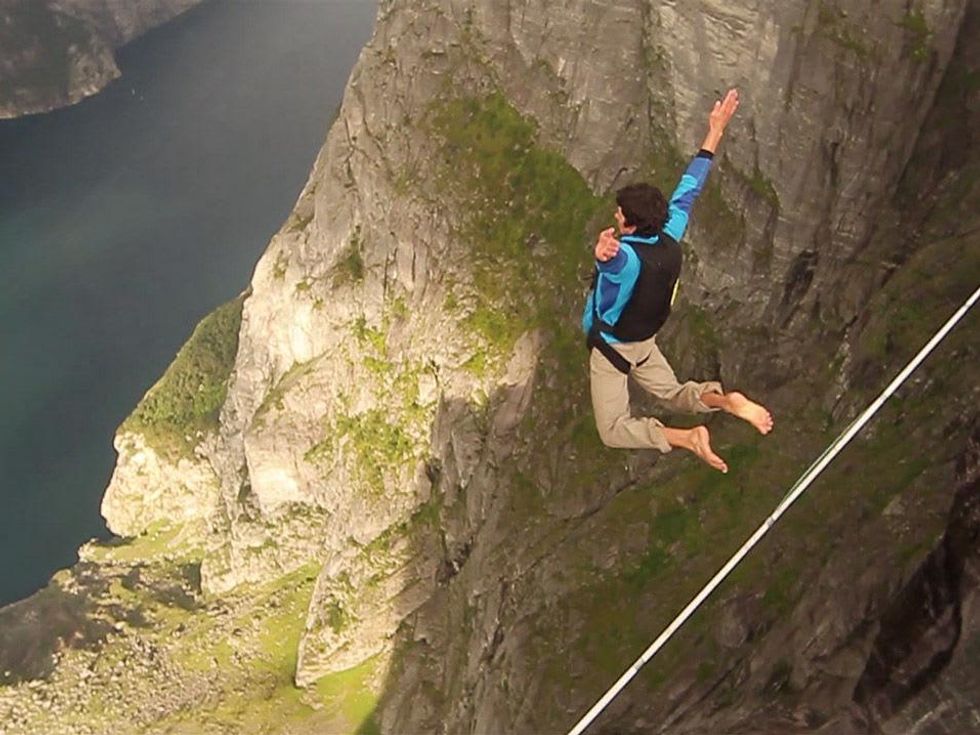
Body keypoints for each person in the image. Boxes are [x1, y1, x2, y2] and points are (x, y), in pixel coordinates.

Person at [582, 88, 773, 473]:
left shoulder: (626, 258)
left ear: (630, 223)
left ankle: (687, 438)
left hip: (613, 348)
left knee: (613, 430)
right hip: (645, 345)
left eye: (620, 214)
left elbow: (616, 265)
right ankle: (725, 401)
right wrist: (714, 131)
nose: (616, 216)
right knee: (673, 393)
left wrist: (604, 254)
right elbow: (690, 186)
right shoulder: (670, 231)